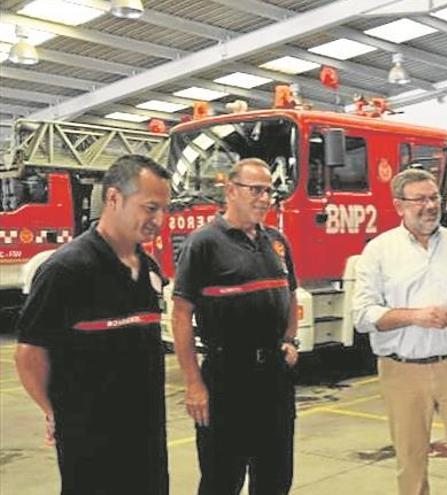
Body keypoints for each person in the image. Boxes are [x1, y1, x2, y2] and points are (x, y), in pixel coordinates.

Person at [15, 155, 171, 494]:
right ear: (114, 198)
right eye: (150, 208)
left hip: (146, 432)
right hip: (89, 438)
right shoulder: (66, 270)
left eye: (163, 209)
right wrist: (57, 411)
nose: (159, 220)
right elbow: (29, 353)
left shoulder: (149, 268)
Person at [353, 168, 447, 495]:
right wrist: (414, 316)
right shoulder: (379, 251)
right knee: (411, 462)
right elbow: (362, 315)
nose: (430, 206)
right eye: (420, 200)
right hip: (402, 371)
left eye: (434, 198)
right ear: (399, 205)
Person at [172, 158, 299, 495]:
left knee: (275, 478)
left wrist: (290, 340)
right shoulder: (204, 243)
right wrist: (193, 384)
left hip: (274, 379)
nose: (264, 198)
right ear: (230, 190)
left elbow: (290, 294)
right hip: (226, 378)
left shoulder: (276, 241)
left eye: (269, 191)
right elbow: (181, 314)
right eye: (255, 190)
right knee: (221, 479)